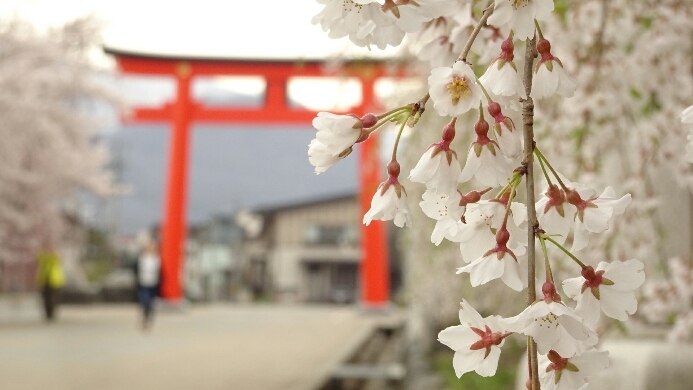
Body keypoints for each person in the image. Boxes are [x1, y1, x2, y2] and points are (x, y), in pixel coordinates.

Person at [35, 244, 65, 322]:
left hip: (54, 280)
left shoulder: (55, 256)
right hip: (45, 280)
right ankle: (48, 313)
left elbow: (58, 259)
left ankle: (52, 313)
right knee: (46, 298)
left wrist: (51, 253)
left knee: (53, 298)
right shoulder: (43, 256)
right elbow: (38, 258)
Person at [137, 241, 161, 329]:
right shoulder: (142, 258)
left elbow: (160, 272)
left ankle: (148, 316)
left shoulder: (157, 259)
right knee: (145, 301)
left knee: (151, 302)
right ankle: (144, 316)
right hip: (144, 283)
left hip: (153, 283)